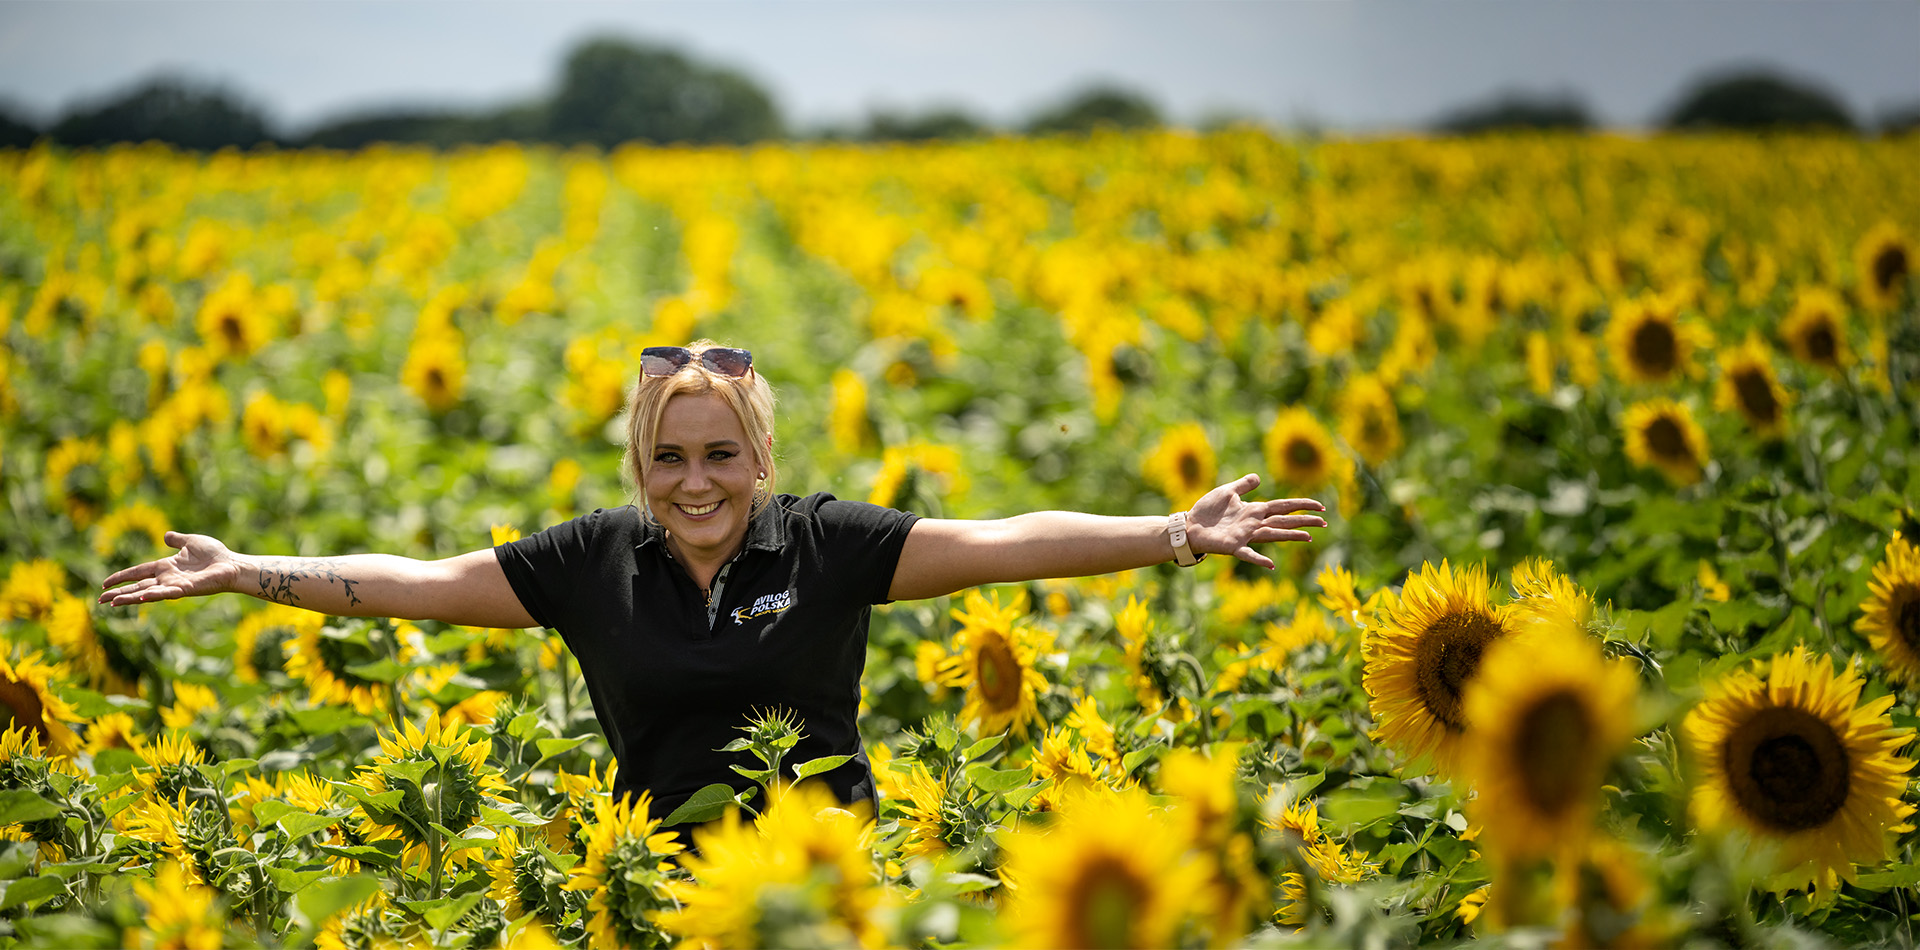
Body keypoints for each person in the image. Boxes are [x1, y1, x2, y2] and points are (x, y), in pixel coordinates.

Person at [100, 340, 1327, 830]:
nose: (697, 481)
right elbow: (418, 581)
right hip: (655, 887)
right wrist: (246, 572)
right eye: (670, 456)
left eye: (720, 454)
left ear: (761, 457)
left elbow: (1004, 540)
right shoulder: (591, 562)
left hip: (827, 873)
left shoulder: (823, 542)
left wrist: (1171, 530)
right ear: (640, 463)